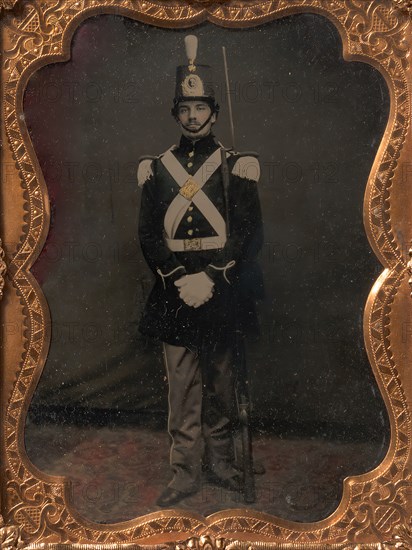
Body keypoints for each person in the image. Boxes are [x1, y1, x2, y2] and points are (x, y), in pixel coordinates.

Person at [138, 35, 263, 508]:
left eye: (200, 107)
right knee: (183, 387)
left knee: (223, 381)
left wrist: (209, 276)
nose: (192, 116)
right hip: (174, 289)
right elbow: (149, 234)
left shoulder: (236, 166)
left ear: (213, 111)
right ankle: (184, 473)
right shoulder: (156, 168)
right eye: (184, 108)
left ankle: (224, 465)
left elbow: (248, 232)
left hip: (220, 284)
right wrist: (176, 276)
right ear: (176, 113)